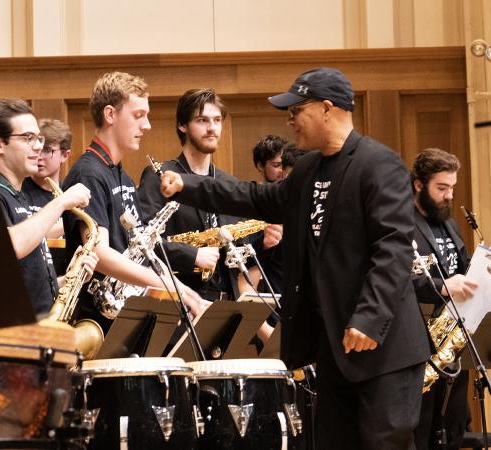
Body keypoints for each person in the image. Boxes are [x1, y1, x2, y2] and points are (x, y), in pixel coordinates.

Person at [160, 67, 431, 450]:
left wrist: (369, 318)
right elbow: (256, 198)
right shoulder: (307, 168)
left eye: (296, 110)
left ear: (325, 108)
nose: (289, 120)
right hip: (335, 346)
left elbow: (393, 248)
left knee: (383, 443)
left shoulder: (378, 164)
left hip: (381, 345)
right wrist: (187, 185)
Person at [410, 147, 491, 450]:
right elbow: (393, 281)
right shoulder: (399, 224)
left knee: (454, 431)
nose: (449, 196)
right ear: (418, 185)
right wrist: (442, 286)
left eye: (452, 188)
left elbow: (472, 282)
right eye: (441, 188)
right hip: (418, 348)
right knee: (418, 434)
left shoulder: (449, 224)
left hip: (454, 348)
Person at [62, 71, 206, 332]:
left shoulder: (124, 177)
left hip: (125, 318)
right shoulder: (88, 173)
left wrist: (182, 289)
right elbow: (98, 252)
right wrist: (169, 287)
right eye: (138, 115)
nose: (147, 125)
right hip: (97, 321)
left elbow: (143, 249)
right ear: (110, 115)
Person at [0, 98, 97, 316]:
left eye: (38, 138)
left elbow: (27, 288)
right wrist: (61, 202)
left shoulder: (17, 196)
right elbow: (11, 245)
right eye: (27, 138)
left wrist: (70, 279)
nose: (38, 146)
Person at [137, 88, 245, 301]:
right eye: (202, 120)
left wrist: (265, 241)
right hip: (180, 301)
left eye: (217, 120)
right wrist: (192, 255)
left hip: (227, 302)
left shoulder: (229, 183)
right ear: (182, 125)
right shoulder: (159, 175)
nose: (212, 128)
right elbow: (142, 241)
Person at [22, 118, 72, 240]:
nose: (38, 156)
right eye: (35, 148)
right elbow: (23, 238)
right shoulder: (18, 192)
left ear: (65, 155)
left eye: (47, 150)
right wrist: (71, 223)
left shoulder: (70, 194)